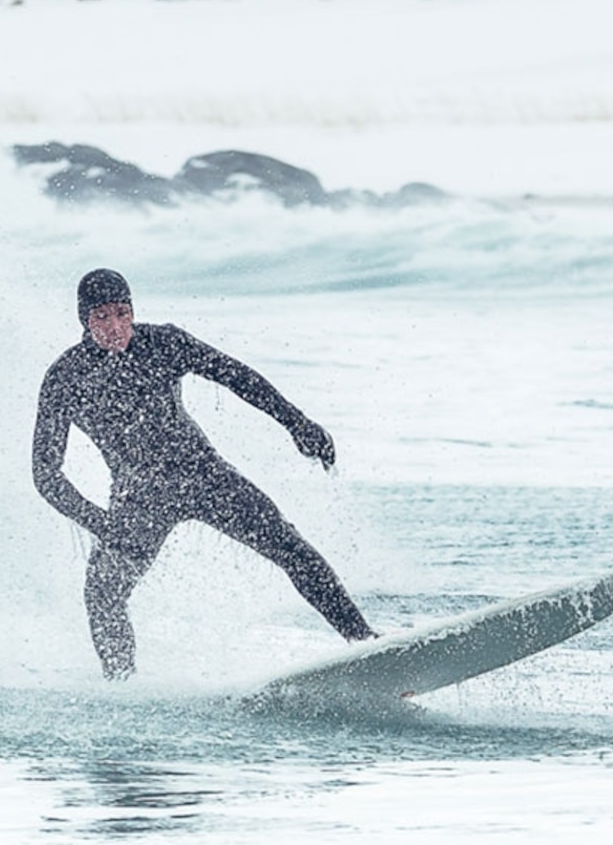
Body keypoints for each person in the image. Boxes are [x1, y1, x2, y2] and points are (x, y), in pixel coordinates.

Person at [32, 267, 375, 677]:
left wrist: (296, 423)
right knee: (102, 594)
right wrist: (102, 525)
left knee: (291, 548)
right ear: (84, 321)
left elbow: (237, 376)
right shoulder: (65, 377)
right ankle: (121, 688)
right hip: (139, 498)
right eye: (101, 317)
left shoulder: (163, 343)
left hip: (204, 476)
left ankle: (367, 645)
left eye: (123, 313)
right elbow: (46, 473)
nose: (115, 327)